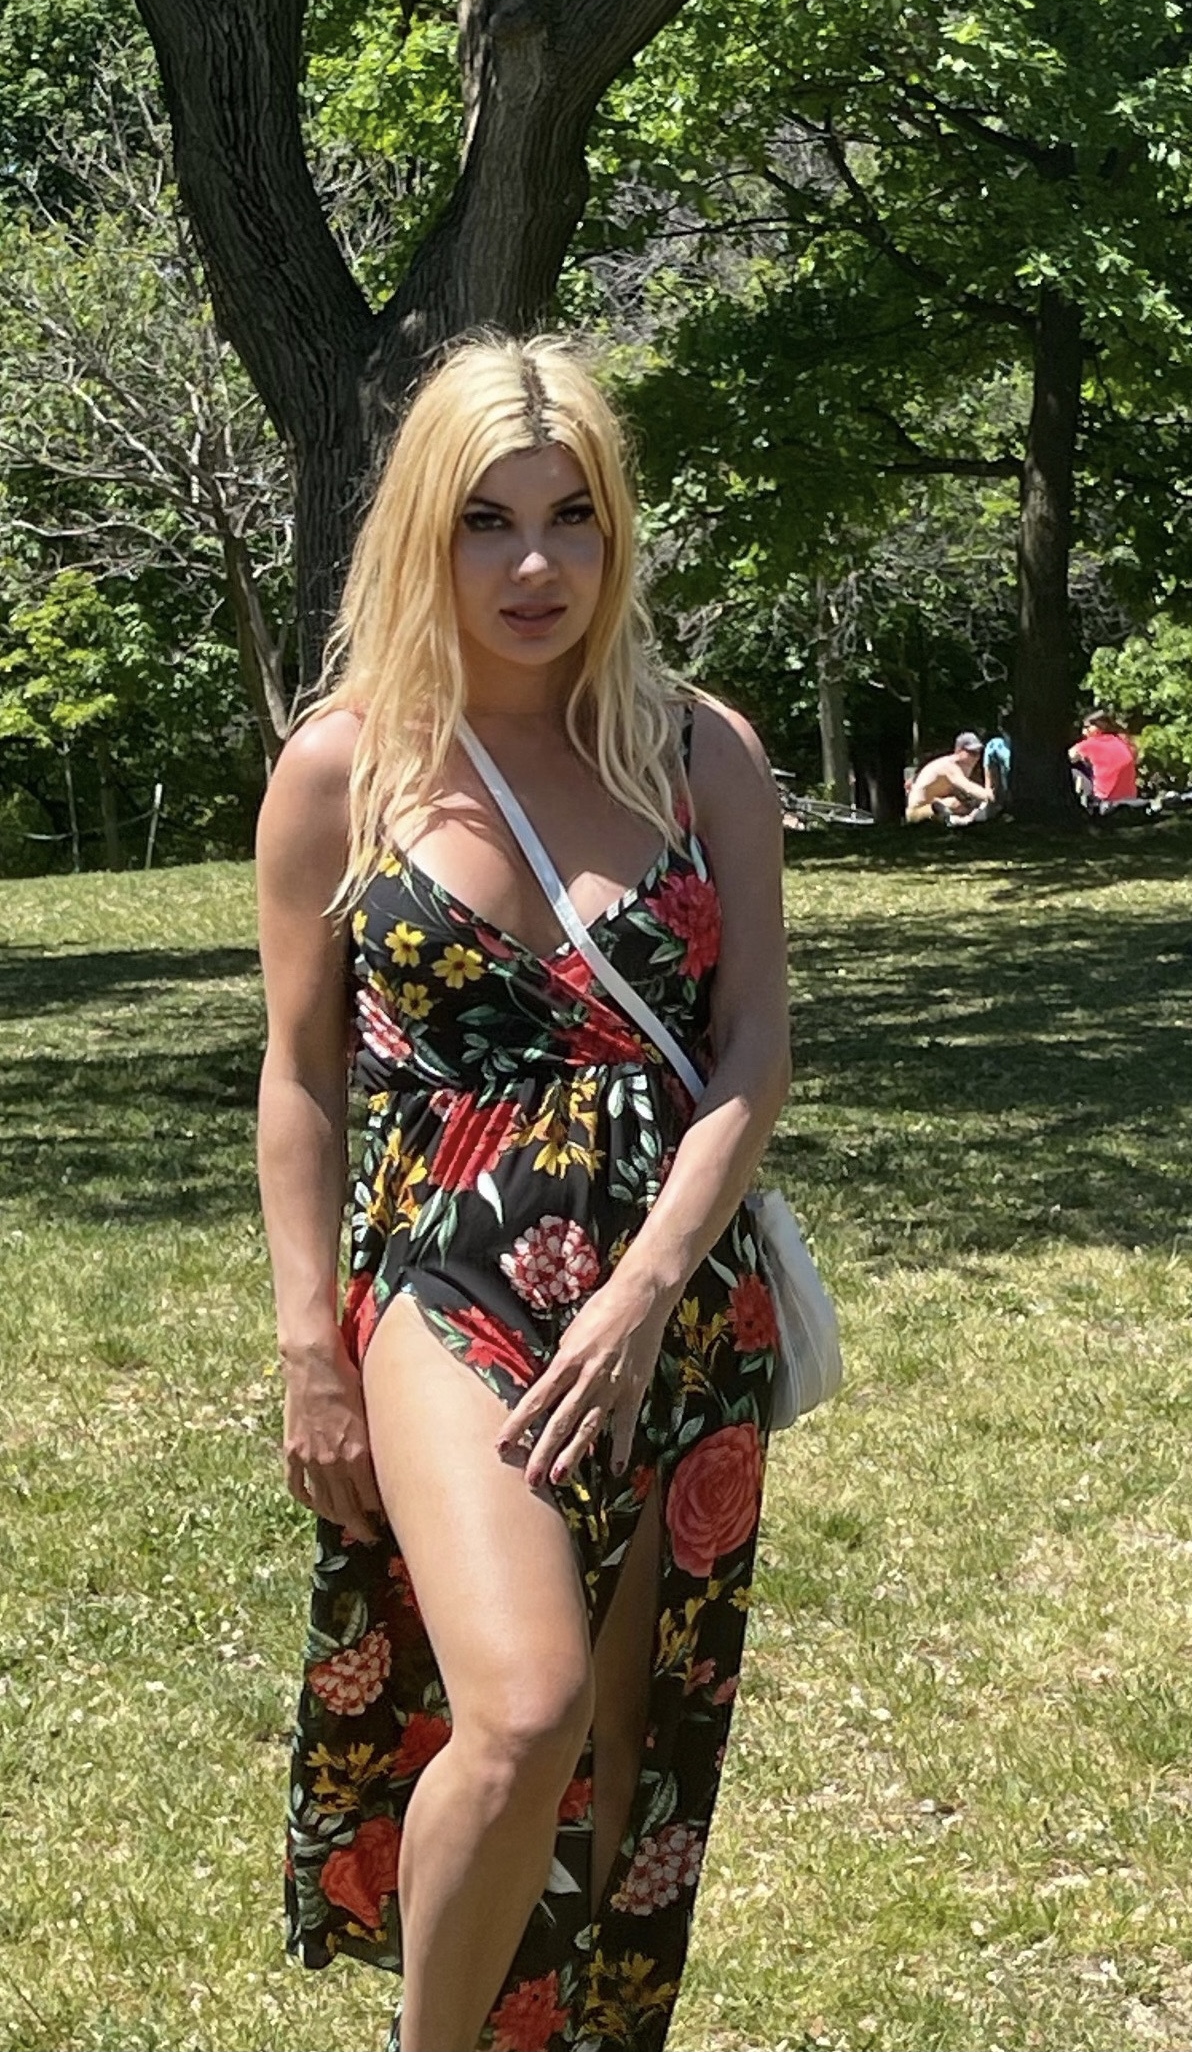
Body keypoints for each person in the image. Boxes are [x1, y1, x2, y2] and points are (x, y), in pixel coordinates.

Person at [256, 333, 790, 2052]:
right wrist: (309, 1346)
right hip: (447, 1272)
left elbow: (753, 1049)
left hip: (670, 1298)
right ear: (425, 532)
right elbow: (300, 1077)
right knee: (522, 1709)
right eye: (487, 520)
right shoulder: (344, 766)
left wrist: (642, 1291)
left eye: (572, 515)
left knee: (622, 1760)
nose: (536, 563)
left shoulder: (698, 751)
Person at [904, 731, 994, 825]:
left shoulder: (963, 767)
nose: (976, 757)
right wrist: (990, 796)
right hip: (917, 812)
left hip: (933, 804)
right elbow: (968, 787)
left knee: (962, 804)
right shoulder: (949, 766)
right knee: (953, 804)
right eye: (971, 752)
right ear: (958, 750)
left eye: (978, 752)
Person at [1069, 709, 1140, 813]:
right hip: (1129, 798)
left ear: (1101, 726)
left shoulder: (1089, 744)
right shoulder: (1122, 741)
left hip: (1103, 800)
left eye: (1087, 727)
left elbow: (1067, 758)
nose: (1084, 732)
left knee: (1073, 771)